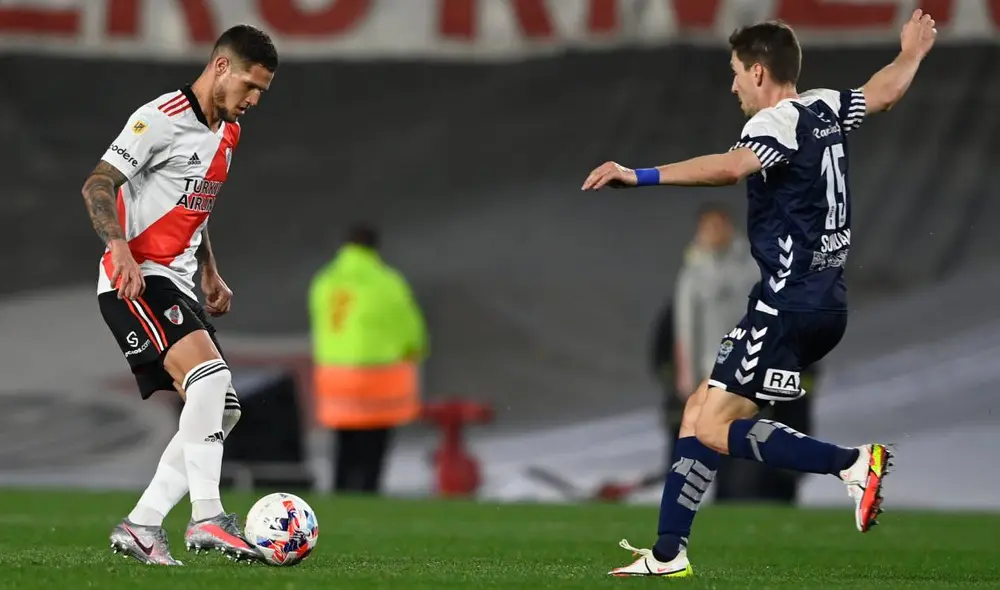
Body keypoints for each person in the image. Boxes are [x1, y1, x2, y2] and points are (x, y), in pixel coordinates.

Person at [581, 10, 937, 577]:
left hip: (788, 303)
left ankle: (851, 464)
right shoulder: (822, 107)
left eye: (734, 73)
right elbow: (884, 92)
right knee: (699, 411)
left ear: (757, 72)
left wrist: (639, 174)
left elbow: (730, 169)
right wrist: (912, 53)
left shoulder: (777, 122)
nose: (732, 85)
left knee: (714, 427)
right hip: (820, 301)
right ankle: (670, 552)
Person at [81, 25, 279, 566]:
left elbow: (195, 207)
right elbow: (98, 183)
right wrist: (118, 247)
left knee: (224, 410)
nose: (254, 100)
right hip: (136, 279)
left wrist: (211, 270)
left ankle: (143, 524)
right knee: (210, 380)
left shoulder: (228, 132)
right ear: (220, 67)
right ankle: (208, 518)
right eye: (250, 86)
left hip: (179, 281)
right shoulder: (159, 118)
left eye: (262, 91)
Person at [308, 223, 429, 496]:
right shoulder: (387, 281)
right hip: (379, 376)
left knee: (344, 444)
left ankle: (339, 495)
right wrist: (415, 350)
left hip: (334, 376)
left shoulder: (324, 281)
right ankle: (368, 495)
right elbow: (410, 327)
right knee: (373, 447)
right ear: (374, 247)